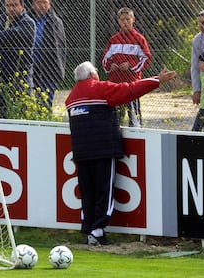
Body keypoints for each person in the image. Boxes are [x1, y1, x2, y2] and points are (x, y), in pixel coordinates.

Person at [64, 61, 176, 245]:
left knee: (87, 191)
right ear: (93, 75)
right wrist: (157, 80)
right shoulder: (100, 88)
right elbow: (130, 90)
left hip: (81, 152)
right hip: (103, 148)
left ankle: (88, 229)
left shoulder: (71, 97)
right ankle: (98, 231)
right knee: (104, 191)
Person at [102, 7, 151, 127]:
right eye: (122, 19)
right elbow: (104, 58)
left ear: (133, 20)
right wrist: (110, 66)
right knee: (115, 120)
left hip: (132, 85)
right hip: (116, 85)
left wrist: (130, 65)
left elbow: (146, 59)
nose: (125, 22)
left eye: (128, 19)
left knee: (134, 119)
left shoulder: (139, 39)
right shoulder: (114, 40)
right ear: (118, 21)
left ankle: (136, 137)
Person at [0, 0, 36, 118]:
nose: (11, 8)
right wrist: (6, 37)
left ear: (22, 6)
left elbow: (19, 36)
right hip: (1, 76)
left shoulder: (28, 23)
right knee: (1, 114)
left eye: (15, 5)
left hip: (21, 76)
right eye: (8, 5)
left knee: (20, 112)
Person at [29, 0, 66, 111]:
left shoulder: (56, 22)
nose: (42, 5)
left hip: (48, 69)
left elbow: (60, 48)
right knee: (27, 102)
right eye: (39, 2)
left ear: (49, 4)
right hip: (29, 67)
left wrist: (59, 69)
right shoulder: (26, 20)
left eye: (45, 2)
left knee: (45, 104)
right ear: (33, 4)